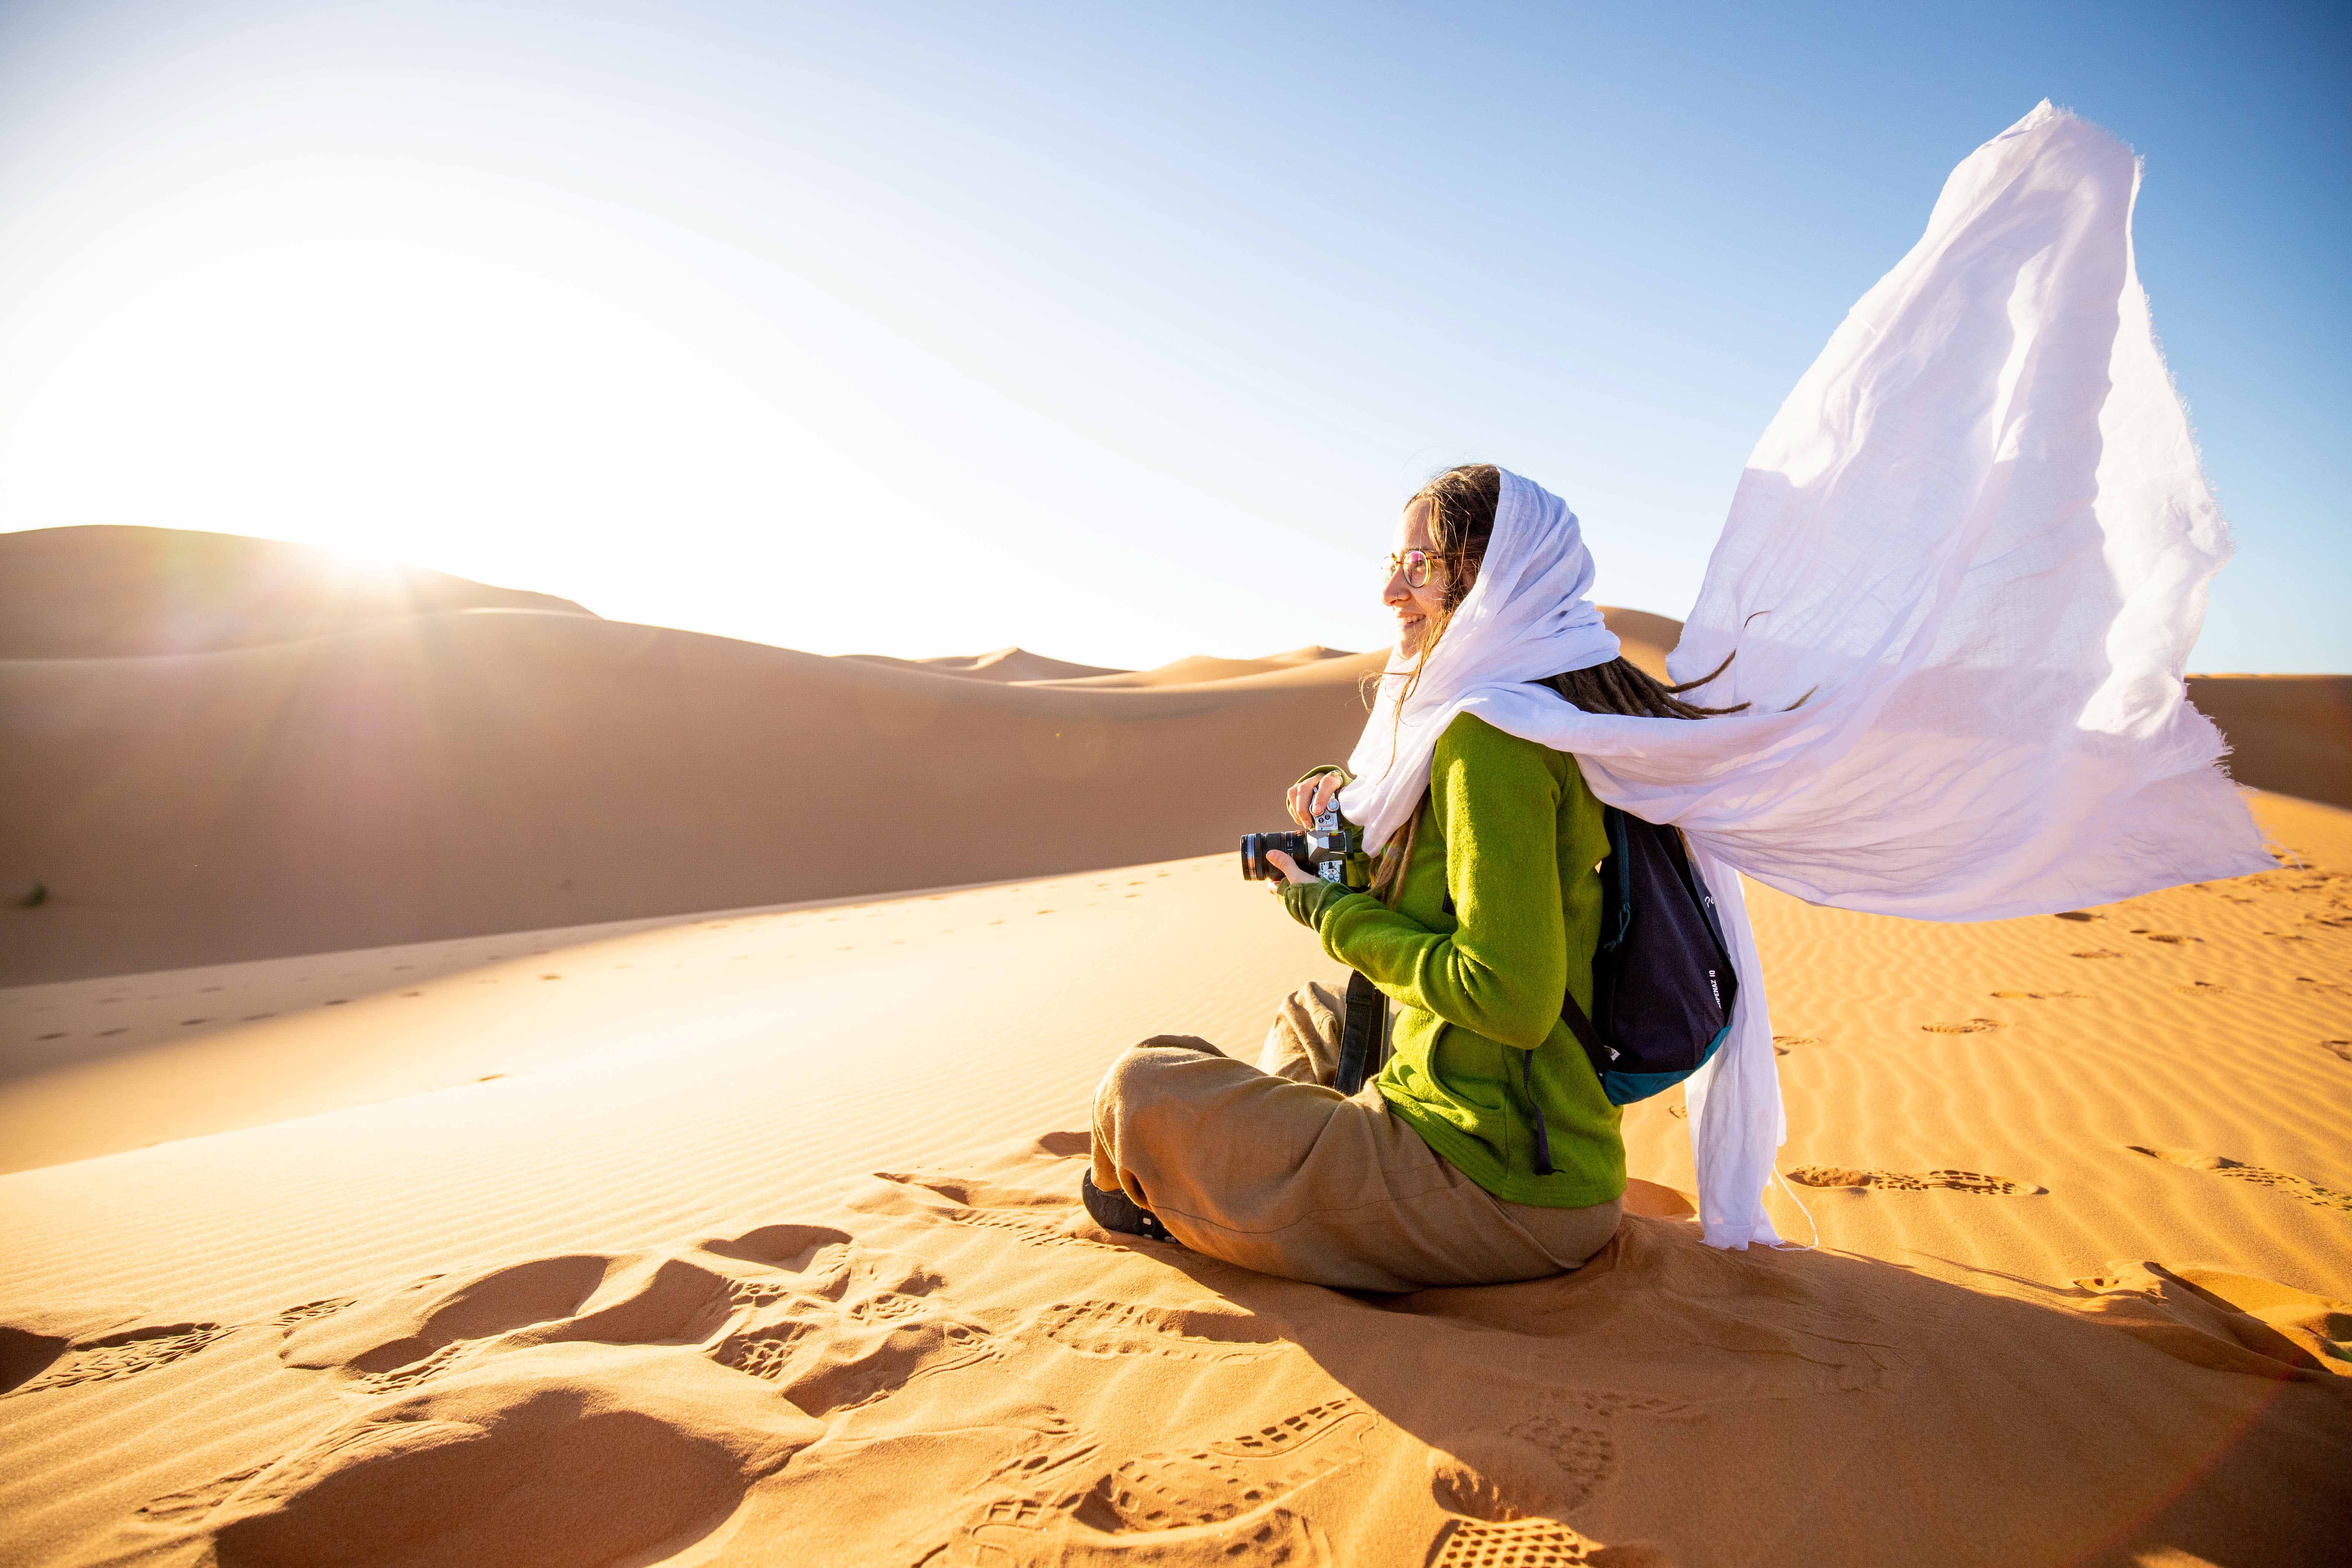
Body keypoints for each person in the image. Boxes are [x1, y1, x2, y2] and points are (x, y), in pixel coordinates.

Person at [1084, 464, 1741, 1292]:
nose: (1394, 591)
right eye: (1393, 564)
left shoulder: (1491, 741)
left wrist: (1333, 911)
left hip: (1497, 1184)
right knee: (1314, 1015)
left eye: (1422, 567)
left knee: (1139, 1091)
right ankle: (1273, 1156)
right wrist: (1346, 810)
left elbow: (1510, 995)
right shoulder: (1532, 712)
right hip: (1496, 1134)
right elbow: (1451, 874)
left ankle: (1180, 1195)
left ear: (1488, 581)